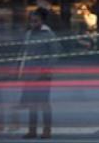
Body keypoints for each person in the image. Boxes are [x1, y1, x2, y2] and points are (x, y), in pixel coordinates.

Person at [18, 8, 60, 139]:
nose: (33, 23)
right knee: (32, 102)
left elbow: (55, 53)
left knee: (43, 102)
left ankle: (47, 130)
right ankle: (32, 130)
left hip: (43, 74)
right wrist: (20, 69)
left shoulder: (48, 34)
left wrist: (47, 69)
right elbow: (23, 53)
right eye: (31, 21)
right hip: (30, 73)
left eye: (35, 21)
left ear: (42, 21)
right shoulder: (29, 34)